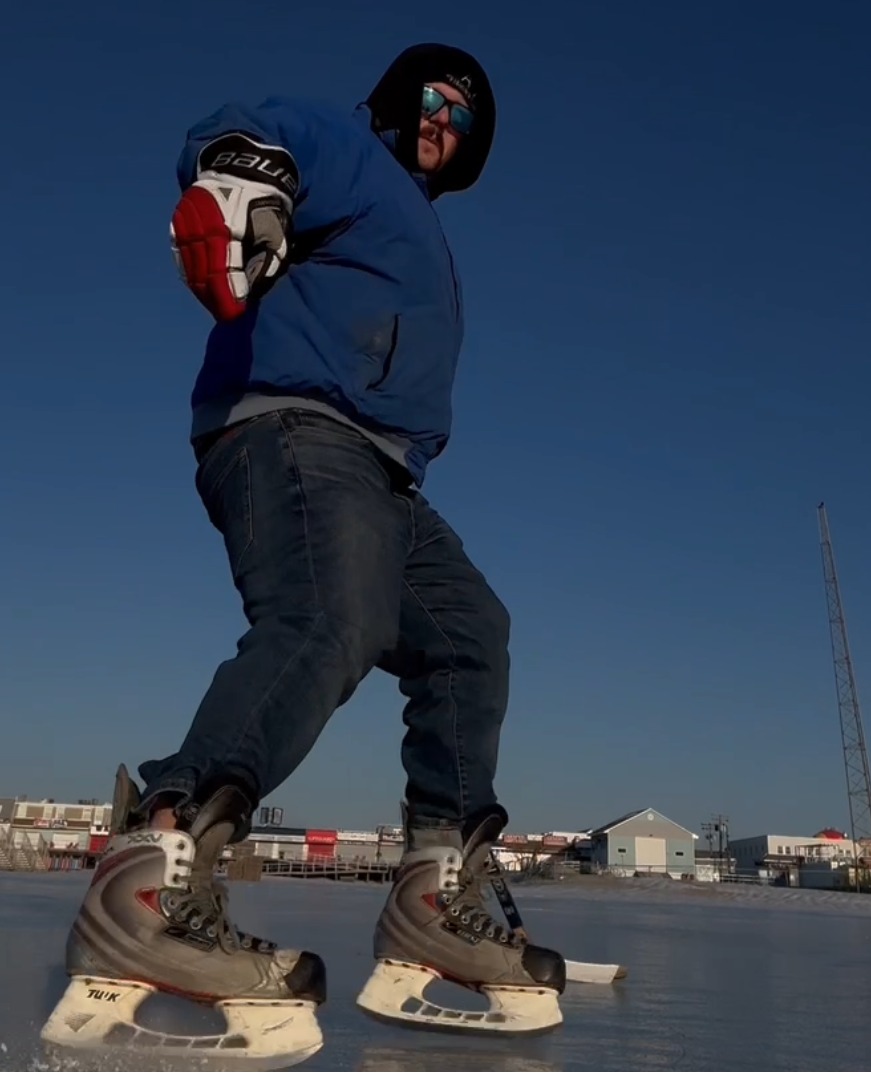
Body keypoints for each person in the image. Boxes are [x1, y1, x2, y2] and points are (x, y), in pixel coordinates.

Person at [40, 44, 565, 1068]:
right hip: (291, 427)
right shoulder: (352, 154)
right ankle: (150, 881)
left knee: (469, 636)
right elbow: (248, 136)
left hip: (384, 474)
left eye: (462, 119)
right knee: (331, 615)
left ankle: (432, 898)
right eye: (432, 100)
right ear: (396, 98)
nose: (441, 123)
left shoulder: (420, 226)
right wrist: (247, 188)